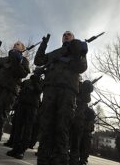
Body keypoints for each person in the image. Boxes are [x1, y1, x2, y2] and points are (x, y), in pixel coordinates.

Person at [35, 31, 88, 165]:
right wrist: (43, 45)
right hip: (50, 89)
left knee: (62, 127)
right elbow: (38, 61)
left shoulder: (78, 50)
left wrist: (79, 51)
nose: (66, 35)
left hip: (68, 91)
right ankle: (43, 160)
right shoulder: (55, 52)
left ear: (73, 38)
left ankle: (60, 160)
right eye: (64, 34)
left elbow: (82, 67)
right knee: (46, 126)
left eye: (69, 34)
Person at [6, 72, 43, 159]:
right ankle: (15, 148)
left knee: (27, 129)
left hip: (32, 107)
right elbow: (20, 86)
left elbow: (39, 90)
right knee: (18, 127)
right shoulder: (26, 81)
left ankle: (21, 150)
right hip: (22, 105)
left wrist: (35, 81)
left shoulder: (41, 82)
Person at [69, 80, 93, 165]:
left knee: (76, 143)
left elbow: (87, 99)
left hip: (78, 120)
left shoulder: (85, 97)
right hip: (71, 117)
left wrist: (84, 88)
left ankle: (74, 160)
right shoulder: (74, 89)